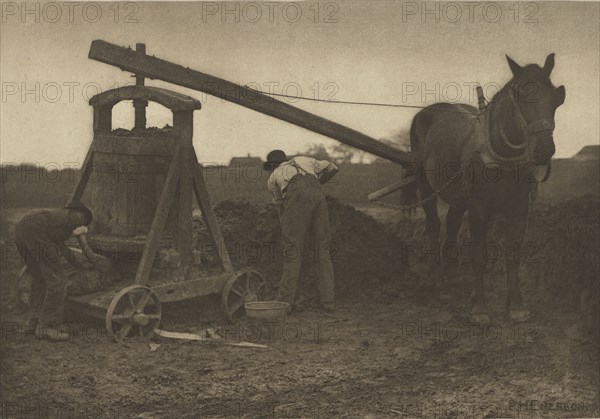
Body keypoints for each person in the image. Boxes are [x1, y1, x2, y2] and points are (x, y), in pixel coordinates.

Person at [264, 150, 339, 313]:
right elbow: (333, 167)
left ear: (272, 166)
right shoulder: (304, 160)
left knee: (293, 251)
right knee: (323, 250)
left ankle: (284, 302)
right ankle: (328, 303)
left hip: (296, 200)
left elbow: (280, 206)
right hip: (319, 197)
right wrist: (315, 186)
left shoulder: (273, 177)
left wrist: (288, 230)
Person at [15, 201, 93, 341]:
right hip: (36, 231)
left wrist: (78, 266)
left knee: (40, 278)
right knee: (58, 281)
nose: (83, 224)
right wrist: (83, 234)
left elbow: (61, 248)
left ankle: (33, 322)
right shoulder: (77, 216)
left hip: (22, 230)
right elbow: (76, 243)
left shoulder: (55, 221)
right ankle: (49, 327)